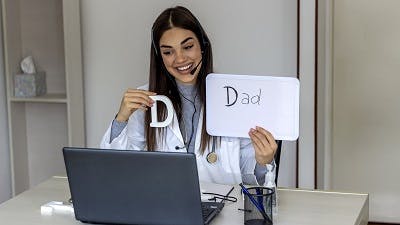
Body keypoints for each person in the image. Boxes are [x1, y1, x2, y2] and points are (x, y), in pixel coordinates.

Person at [100, 6, 277, 185]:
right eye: (168, 52)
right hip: (163, 206)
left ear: (203, 46)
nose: (180, 59)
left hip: (224, 206)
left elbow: (253, 180)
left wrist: (264, 161)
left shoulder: (234, 98)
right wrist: (121, 119)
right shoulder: (146, 101)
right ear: (160, 57)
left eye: (188, 47)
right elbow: (119, 171)